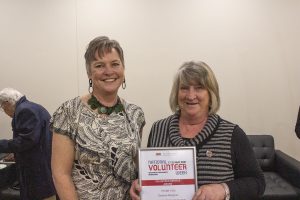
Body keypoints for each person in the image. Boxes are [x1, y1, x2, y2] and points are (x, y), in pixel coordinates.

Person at [130, 61, 265, 200]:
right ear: (176, 93)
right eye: (184, 88)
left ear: (211, 93)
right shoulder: (158, 129)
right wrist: (140, 185)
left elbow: (257, 183)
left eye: (199, 88)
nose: (190, 95)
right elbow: (151, 176)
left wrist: (223, 190)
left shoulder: (232, 134)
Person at [50, 36, 145, 200]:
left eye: (115, 64)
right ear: (89, 72)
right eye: (99, 65)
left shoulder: (135, 114)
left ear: (123, 68)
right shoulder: (69, 112)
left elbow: (135, 166)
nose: (109, 71)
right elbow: (61, 174)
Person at [0, 88, 56, 200]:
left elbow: (26, 141)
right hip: (43, 167)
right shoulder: (32, 107)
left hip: (38, 171)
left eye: (2, 108)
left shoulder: (24, 110)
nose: (4, 112)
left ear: (7, 103)